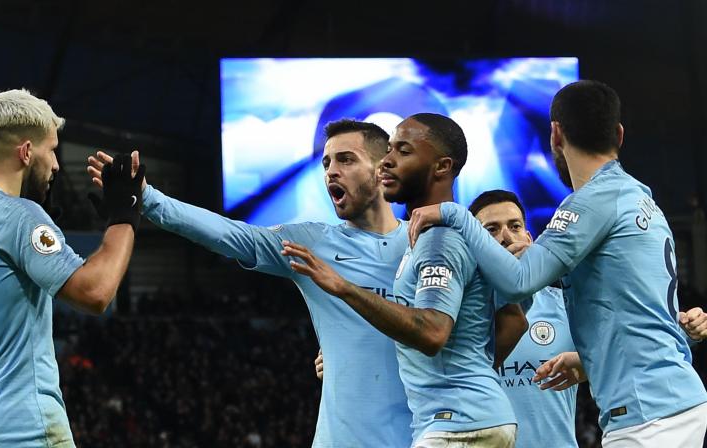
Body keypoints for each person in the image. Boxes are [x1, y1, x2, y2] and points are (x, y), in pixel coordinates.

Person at [408, 80, 707, 446]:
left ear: (555, 134)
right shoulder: (639, 198)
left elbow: (519, 280)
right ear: (619, 134)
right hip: (668, 402)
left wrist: (456, 214)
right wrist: (585, 361)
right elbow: (633, 315)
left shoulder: (590, 202)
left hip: (651, 414)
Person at [88, 119, 415, 447]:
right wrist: (148, 198)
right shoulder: (312, 244)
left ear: (382, 168)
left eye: (346, 159)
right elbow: (230, 234)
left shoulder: (424, 247)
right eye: (326, 162)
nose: (330, 171)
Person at [0, 89, 143, 447]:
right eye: (51, 150)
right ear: (25, 151)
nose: (56, 164)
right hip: (26, 431)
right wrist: (124, 216)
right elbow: (95, 292)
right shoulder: (19, 217)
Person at [283, 113, 517, 447]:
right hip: (463, 420)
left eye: (402, 152)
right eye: (389, 150)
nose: (387, 163)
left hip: (457, 424)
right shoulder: (423, 236)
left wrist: (344, 287)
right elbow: (513, 319)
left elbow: (432, 331)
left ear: (440, 166)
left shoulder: (440, 239)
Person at [469, 189, 578, 448]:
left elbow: (620, 350)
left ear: (529, 238)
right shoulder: (460, 315)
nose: (506, 237)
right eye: (491, 230)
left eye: (514, 226)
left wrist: (682, 329)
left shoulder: (566, 305)